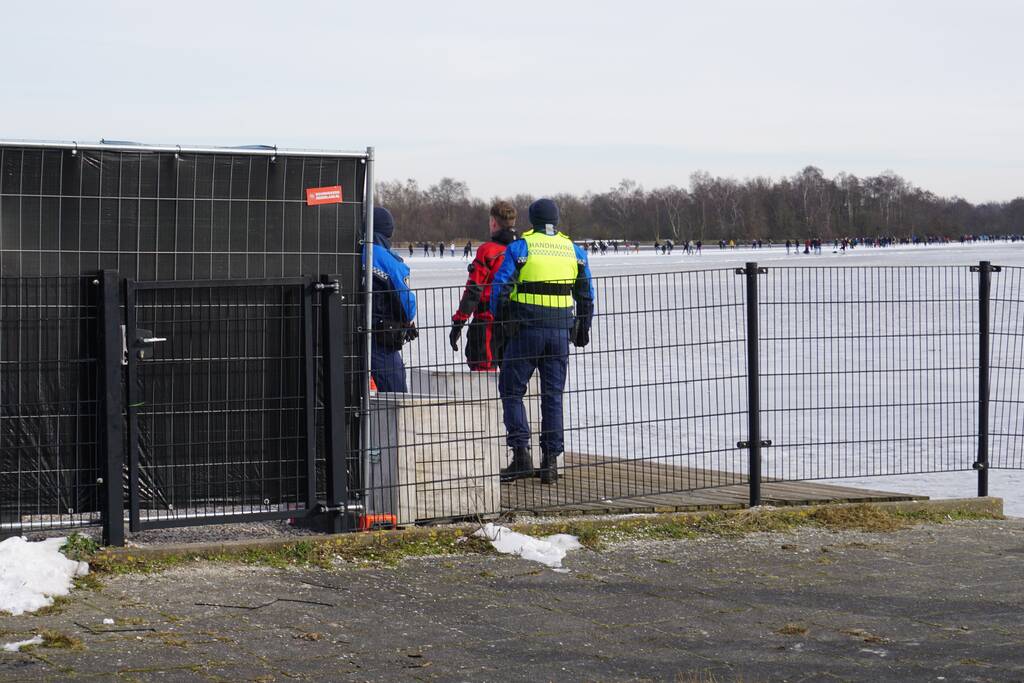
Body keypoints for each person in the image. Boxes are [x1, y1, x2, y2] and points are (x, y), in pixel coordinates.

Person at [490, 198, 594, 485]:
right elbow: (587, 293)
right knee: (553, 396)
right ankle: (550, 462)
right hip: (560, 332)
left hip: (525, 330)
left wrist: (501, 321)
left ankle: (521, 454)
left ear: (532, 219)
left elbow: (499, 287)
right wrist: (583, 326)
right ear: (557, 219)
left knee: (512, 390)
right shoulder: (573, 250)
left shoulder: (520, 247)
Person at [449, 201, 519, 371]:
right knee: (513, 376)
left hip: (487, 321)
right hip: (515, 321)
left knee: (483, 378)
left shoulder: (488, 251)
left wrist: (459, 321)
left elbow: (474, 289)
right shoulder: (521, 248)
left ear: (493, 222)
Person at [363, 207, 417, 392]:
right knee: (396, 391)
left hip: (349, 331)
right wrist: (407, 320)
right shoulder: (388, 261)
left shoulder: (351, 253)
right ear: (388, 230)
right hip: (380, 335)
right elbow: (406, 304)